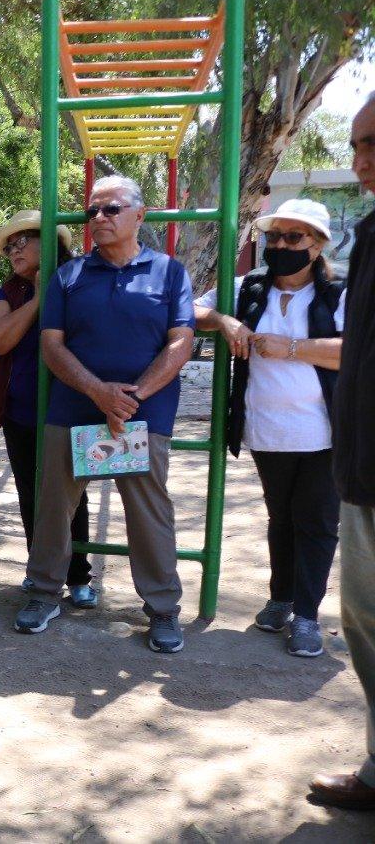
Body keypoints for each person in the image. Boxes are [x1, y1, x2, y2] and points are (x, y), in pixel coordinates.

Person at [14, 176, 194, 653]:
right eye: (92, 211)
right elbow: (52, 346)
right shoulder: (69, 276)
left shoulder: (169, 273)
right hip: (74, 410)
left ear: (140, 215)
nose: (98, 219)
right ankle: (44, 591)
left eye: (111, 209)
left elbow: (181, 342)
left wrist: (130, 398)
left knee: (148, 511)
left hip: (141, 416)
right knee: (54, 505)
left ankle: (162, 609)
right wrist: (98, 393)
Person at [194, 198, 344, 657]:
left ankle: (307, 616)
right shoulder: (245, 287)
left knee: (316, 521)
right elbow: (189, 310)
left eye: (293, 237)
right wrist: (223, 320)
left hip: (327, 432)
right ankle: (281, 598)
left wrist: (294, 348)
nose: (280, 245)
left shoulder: (341, 293)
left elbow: (355, 351)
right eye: (273, 236)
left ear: (317, 247)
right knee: (281, 518)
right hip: (268, 429)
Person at [310, 93, 375, 810]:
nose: (359, 160)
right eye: (355, 144)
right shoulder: (373, 237)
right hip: (359, 465)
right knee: (363, 617)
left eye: (372, 144)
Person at [0, 210, 98, 609]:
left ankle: (78, 574)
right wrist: (35, 299)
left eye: (21, 242)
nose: (13, 250)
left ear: (49, 244)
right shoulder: (12, 291)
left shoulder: (80, 278)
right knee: (31, 492)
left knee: (73, 493)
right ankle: (40, 572)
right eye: (9, 246)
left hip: (72, 406)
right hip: (22, 409)